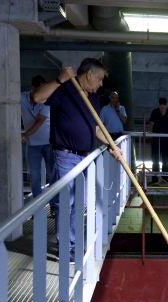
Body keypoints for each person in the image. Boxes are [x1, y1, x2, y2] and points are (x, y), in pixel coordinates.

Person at [33, 57, 122, 260]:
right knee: (67, 202)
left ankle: (71, 245)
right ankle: (67, 249)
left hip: (83, 157)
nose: (100, 85)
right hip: (64, 155)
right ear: (89, 74)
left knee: (77, 203)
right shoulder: (65, 90)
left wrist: (111, 144)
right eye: (99, 80)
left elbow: (96, 127)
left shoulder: (92, 99)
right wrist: (59, 80)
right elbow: (37, 97)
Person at [21, 75, 53, 198]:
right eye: (40, 90)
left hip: (49, 143)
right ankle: (37, 208)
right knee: (35, 177)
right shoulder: (22, 97)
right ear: (32, 88)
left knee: (52, 176)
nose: (43, 94)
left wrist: (25, 135)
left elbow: (39, 121)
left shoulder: (48, 100)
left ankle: (54, 205)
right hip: (33, 145)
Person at [147, 97, 168, 184]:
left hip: (166, 141)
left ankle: (164, 179)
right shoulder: (155, 112)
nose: (162, 107)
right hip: (156, 140)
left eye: (164, 105)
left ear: (166, 105)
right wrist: (149, 131)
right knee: (155, 161)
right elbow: (151, 123)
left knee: (166, 160)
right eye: (161, 105)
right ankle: (155, 179)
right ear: (159, 105)